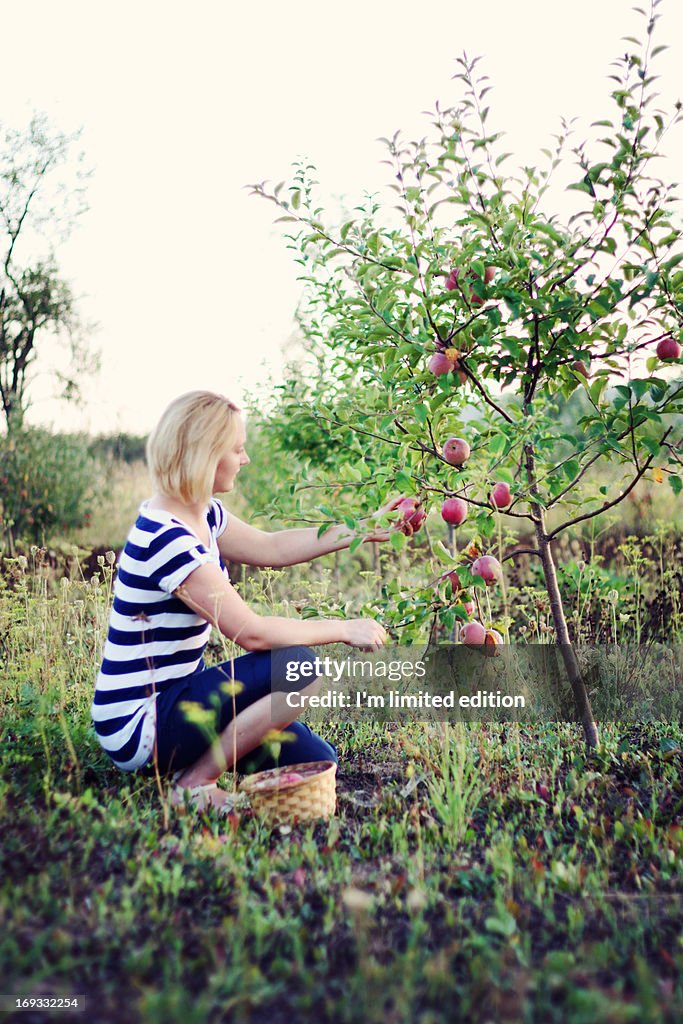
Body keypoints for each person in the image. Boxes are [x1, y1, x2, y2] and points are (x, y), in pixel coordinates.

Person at [90, 390, 401, 812]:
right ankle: (195, 783)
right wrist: (344, 629)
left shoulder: (202, 512)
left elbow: (272, 548)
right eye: (237, 449)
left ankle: (195, 770)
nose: (245, 458)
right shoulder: (166, 538)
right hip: (140, 725)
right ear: (205, 454)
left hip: (180, 701)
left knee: (316, 761)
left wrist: (363, 528)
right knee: (300, 668)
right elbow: (250, 632)